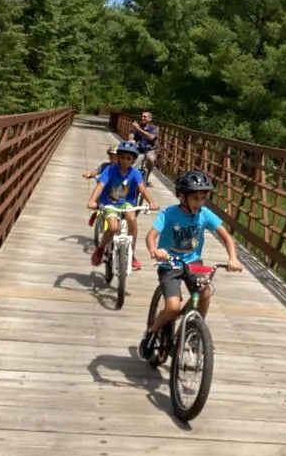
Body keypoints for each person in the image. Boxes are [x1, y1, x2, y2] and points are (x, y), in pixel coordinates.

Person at [139, 169, 242, 362]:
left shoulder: (205, 214)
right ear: (182, 196)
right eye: (195, 198)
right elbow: (151, 236)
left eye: (203, 198)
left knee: (205, 292)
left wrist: (233, 258)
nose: (199, 202)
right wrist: (155, 250)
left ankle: (195, 329)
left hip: (194, 263)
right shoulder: (168, 214)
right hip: (169, 263)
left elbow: (227, 237)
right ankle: (152, 332)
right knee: (172, 306)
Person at [88, 141, 159, 272]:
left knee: (132, 219)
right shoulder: (110, 170)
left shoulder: (136, 173)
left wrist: (151, 202)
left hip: (126, 202)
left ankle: (131, 254)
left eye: (129, 158)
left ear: (133, 160)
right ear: (118, 157)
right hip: (109, 202)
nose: (125, 161)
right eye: (122, 158)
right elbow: (101, 186)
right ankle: (101, 248)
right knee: (113, 226)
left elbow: (142, 189)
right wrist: (92, 200)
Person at [130, 110, 159, 185]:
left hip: (149, 148)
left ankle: (147, 177)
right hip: (137, 146)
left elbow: (151, 137)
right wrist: (133, 130)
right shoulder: (136, 126)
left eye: (144, 117)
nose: (142, 118)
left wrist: (138, 129)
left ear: (150, 119)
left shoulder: (154, 128)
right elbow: (130, 138)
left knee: (151, 159)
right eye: (141, 116)